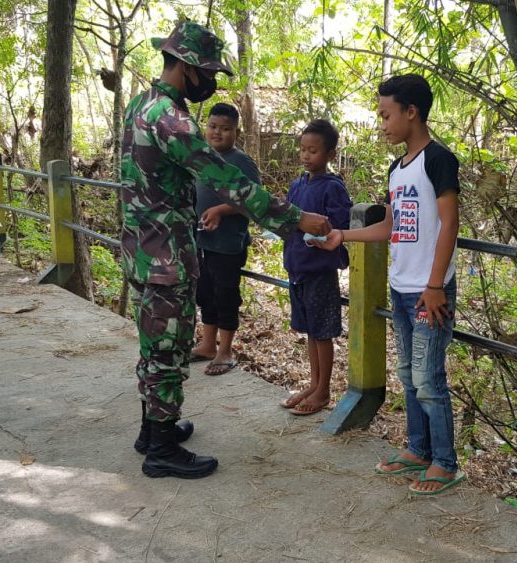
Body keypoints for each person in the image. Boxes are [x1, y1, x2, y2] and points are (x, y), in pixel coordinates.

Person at [121, 21, 330, 480]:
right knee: (169, 350)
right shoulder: (171, 120)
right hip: (165, 255)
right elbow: (226, 180)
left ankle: (152, 430)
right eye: (209, 72)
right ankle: (160, 451)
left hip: (141, 248)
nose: (211, 83)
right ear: (189, 67)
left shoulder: (141, 104)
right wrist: (294, 219)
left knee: (153, 346)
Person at [313, 75, 464, 495]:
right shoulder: (397, 168)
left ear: (411, 112)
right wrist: (344, 236)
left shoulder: (439, 160)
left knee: (428, 379)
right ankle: (417, 450)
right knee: (408, 374)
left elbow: (449, 223)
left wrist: (436, 284)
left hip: (429, 290)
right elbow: (392, 226)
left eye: (385, 115)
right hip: (401, 287)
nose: (381, 124)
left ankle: (446, 463)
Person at [281, 120, 353, 416]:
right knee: (310, 331)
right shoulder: (297, 184)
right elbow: (286, 217)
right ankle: (314, 383)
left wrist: (319, 234)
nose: (306, 155)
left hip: (320, 271)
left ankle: (323, 391)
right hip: (297, 269)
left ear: (330, 154)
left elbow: (341, 227)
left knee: (323, 333)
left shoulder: (333, 188)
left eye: (313, 150)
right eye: (303, 149)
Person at [188, 103, 257, 376]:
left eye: (225, 129)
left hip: (228, 244)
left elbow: (255, 201)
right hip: (201, 241)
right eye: (213, 127)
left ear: (236, 132)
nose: (217, 133)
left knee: (225, 294)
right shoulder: (201, 158)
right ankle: (207, 344)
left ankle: (225, 351)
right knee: (205, 293)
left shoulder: (241, 162)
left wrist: (221, 210)